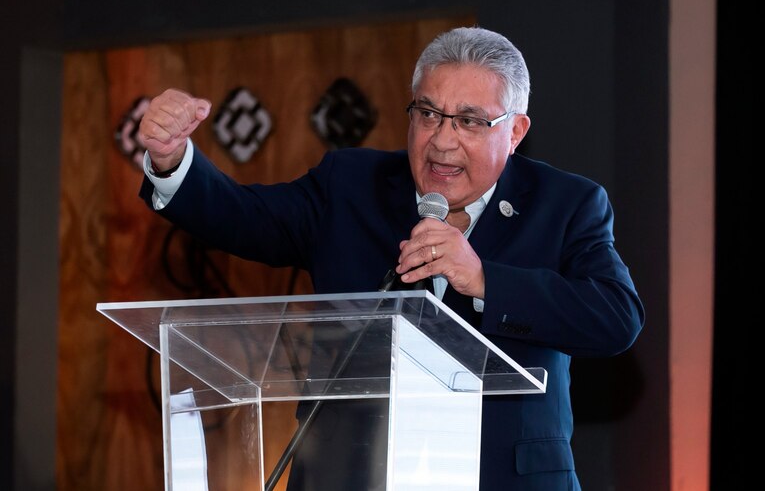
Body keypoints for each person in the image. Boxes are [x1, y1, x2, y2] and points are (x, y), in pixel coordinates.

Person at [139, 26, 644, 491]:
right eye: (428, 114)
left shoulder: (565, 205)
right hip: (350, 472)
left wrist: (484, 279)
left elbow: (616, 317)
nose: (442, 141)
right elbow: (243, 217)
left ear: (514, 132)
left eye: (470, 121)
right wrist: (171, 160)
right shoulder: (351, 187)